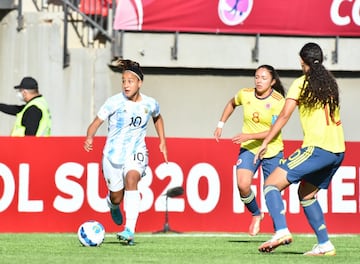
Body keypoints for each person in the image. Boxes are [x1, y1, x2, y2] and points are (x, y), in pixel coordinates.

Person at [255, 42, 345, 256]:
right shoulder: (330, 83)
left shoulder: (301, 83)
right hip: (337, 150)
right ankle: (324, 244)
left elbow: (284, 116)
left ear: (302, 62)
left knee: (270, 185)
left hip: (317, 148)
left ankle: (281, 231)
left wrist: (266, 141)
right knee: (306, 194)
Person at [84, 59, 168, 245]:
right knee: (116, 195)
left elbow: (157, 117)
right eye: (123, 81)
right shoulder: (113, 102)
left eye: (130, 81)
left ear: (140, 83)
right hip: (112, 156)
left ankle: (129, 229)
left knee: (132, 178)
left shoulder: (150, 103)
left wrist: (162, 140)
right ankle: (113, 205)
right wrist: (90, 137)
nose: (126, 85)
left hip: (136, 152)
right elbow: (95, 123)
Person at [214, 65, 286, 236]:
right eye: (257, 77)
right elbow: (231, 103)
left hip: (272, 149)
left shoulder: (278, 101)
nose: (259, 81)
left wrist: (248, 136)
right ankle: (256, 214)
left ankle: (280, 232)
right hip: (250, 149)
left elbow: (274, 130)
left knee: (272, 191)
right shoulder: (245, 94)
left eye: (264, 78)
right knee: (242, 184)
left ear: (272, 81)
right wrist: (220, 124)